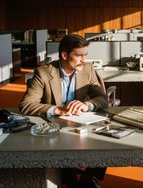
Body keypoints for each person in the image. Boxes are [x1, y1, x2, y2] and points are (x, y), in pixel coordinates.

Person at [19, 34, 107, 188]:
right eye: (79, 56)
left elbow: (101, 97)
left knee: (107, 141)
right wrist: (58, 110)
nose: (84, 60)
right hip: (54, 126)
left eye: (85, 55)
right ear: (65, 55)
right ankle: (69, 177)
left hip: (81, 123)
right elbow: (26, 105)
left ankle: (88, 176)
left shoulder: (87, 69)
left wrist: (87, 105)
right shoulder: (44, 73)